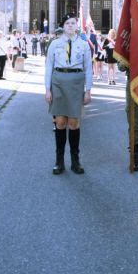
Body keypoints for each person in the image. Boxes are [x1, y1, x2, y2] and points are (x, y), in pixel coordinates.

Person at [45, 14, 92, 175]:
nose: (70, 25)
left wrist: (88, 90)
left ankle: (75, 161)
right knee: (60, 121)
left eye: (73, 23)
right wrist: (47, 89)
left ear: (77, 26)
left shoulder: (84, 45)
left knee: (73, 122)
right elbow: (48, 67)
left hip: (76, 83)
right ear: (63, 26)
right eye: (67, 23)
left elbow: (88, 69)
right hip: (58, 81)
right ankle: (59, 161)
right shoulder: (55, 44)